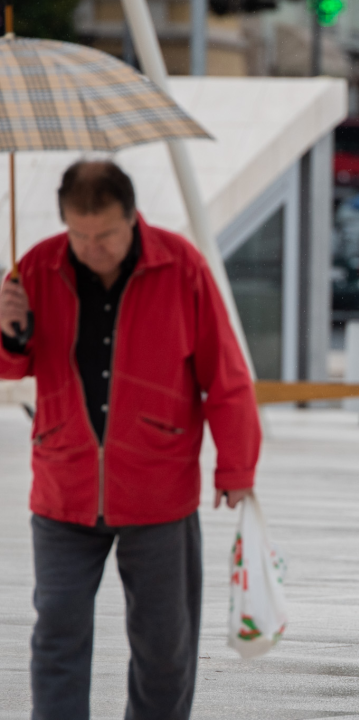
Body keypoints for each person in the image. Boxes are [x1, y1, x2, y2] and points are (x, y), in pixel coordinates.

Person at [0, 160, 261, 720]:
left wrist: (236, 468)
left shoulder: (181, 265)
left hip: (158, 490)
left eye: (106, 235)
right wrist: (10, 332)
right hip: (62, 490)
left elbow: (228, 377)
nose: (92, 247)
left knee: (164, 650)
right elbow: (9, 367)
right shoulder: (37, 267)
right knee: (56, 637)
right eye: (79, 234)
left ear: (132, 218)